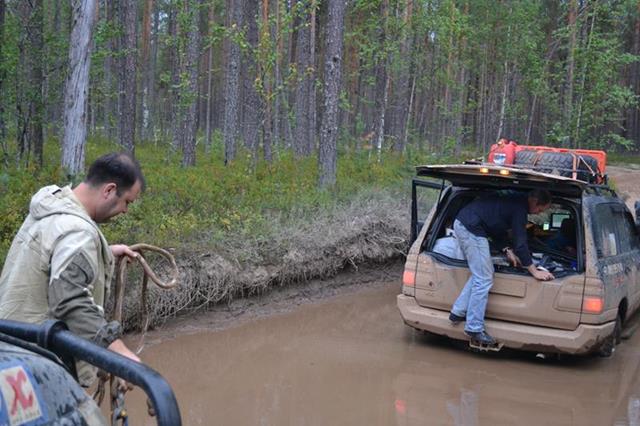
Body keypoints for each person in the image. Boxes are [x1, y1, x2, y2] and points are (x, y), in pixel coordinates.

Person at [0, 152, 144, 384]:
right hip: (38, 366)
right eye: (127, 201)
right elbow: (70, 299)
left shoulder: (53, 204)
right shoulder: (78, 232)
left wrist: (105, 251)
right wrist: (119, 353)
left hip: (10, 350)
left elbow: (52, 249)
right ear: (108, 190)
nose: (126, 210)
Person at [448, 189, 555, 346]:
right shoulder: (520, 209)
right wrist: (534, 271)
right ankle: (474, 328)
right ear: (533, 200)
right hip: (470, 227)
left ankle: (457, 312)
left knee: (481, 274)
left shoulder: (514, 202)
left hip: (468, 223)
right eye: (540, 209)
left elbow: (496, 225)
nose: (539, 213)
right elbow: (520, 242)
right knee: (484, 278)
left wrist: (506, 249)